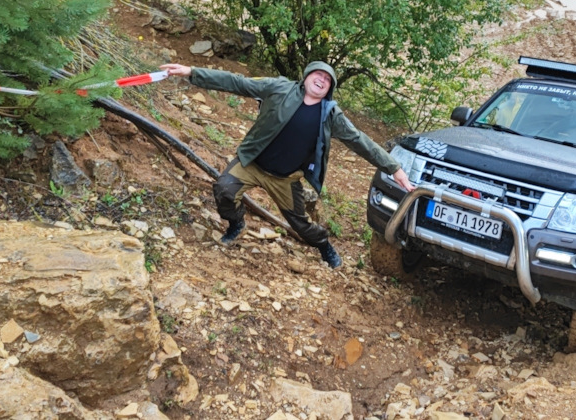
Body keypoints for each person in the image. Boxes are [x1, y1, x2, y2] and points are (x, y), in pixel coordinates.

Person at [160, 61, 415, 268]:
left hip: (286, 178)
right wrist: (192, 73)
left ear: (330, 89)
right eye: (317, 74)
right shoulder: (279, 88)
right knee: (224, 189)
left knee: (301, 225)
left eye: (327, 80)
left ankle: (324, 245)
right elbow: (237, 82)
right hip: (253, 164)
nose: (321, 80)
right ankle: (236, 222)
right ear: (305, 77)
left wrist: (393, 168)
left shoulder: (331, 115)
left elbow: (360, 141)